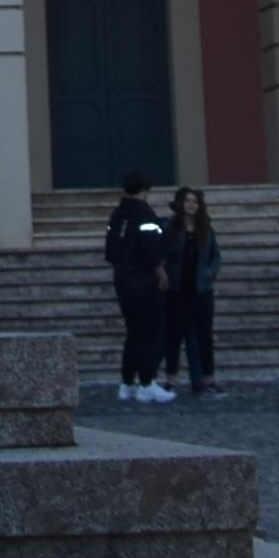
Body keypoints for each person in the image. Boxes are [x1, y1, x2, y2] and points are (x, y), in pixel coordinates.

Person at [101, 170, 172, 403]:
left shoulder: (117, 214)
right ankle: (146, 382)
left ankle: (127, 383)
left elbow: (110, 251)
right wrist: (160, 273)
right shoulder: (145, 213)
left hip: (122, 281)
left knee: (132, 333)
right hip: (143, 281)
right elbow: (151, 249)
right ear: (145, 189)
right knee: (150, 333)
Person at [165, 187, 219, 396]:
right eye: (187, 201)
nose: (191, 205)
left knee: (204, 335)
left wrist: (211, 272)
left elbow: (216, 255)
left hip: (201, 289)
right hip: (177, 289)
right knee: (175, 336)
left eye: (195, 202)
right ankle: (171, 378)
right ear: (180, 204)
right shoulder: (171, 228)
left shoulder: (206, 229)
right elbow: (164, 254)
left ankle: (208, 378)